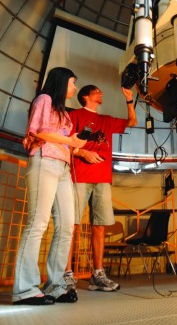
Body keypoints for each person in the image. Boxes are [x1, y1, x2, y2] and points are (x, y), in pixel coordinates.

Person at [12, 67, 87, 306]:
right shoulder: (44, 99)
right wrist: (69, 140)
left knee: (66, 227)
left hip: (63, 167)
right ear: (62, 81)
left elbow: (65, 142)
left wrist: (78, 144)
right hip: (44, 160)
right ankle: (24, 289)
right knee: (38, 223)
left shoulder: (64, 113)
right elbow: (40, 131)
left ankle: (56, 286)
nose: (74, 88)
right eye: (73, 83)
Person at [64, 84, 137, 292]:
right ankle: (68, 274)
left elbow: (132, 122)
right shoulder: (75, 115)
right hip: (80, 176)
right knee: (72, 225)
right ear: (86, 96)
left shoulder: (106, 120)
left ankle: (98, 274)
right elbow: (66, 143)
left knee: (100, 226)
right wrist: (83, 153)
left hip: (102, 178)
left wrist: (129, 101)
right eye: (97, 91)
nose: (101, 93)